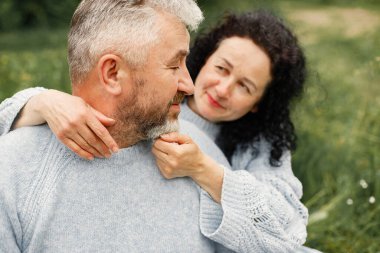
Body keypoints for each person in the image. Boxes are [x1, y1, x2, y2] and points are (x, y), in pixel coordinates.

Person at [0, 10, 319, 253]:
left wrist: (205, 170)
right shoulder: (147, 107)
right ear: (204, 59)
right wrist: (39, 100)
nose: (221, 89)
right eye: (221, 69)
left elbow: (289, 232)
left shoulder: (259, 145)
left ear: (258, 105)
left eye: (244, 87)